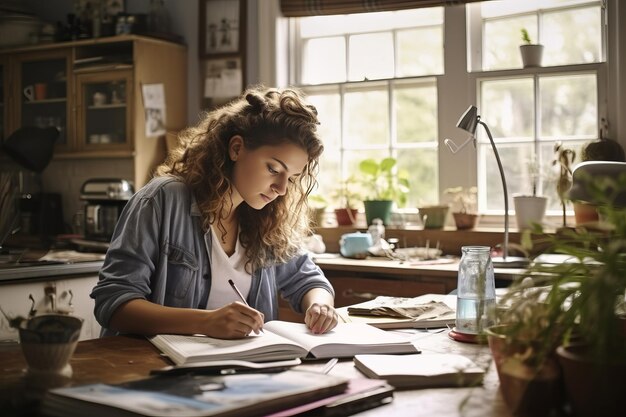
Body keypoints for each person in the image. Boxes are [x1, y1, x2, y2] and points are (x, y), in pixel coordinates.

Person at [91, 85, 338, 339]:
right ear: (236, 148)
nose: (282, 189)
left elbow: (309, 281)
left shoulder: (267, 219)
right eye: (274, 169)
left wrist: (321, 306)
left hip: (238, 372)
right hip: (155, 369)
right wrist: (205, 322)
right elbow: (114, 303)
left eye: (293, 178)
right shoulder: (162, 199)